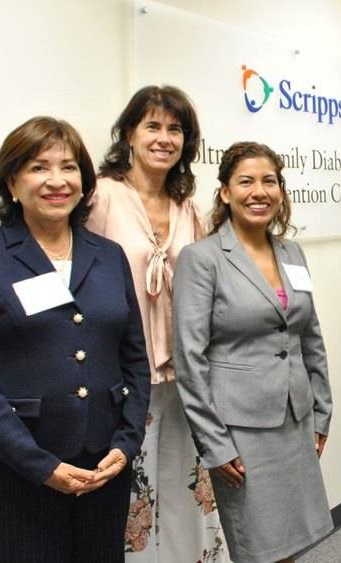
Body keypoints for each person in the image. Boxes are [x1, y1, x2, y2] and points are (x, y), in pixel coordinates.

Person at [0, 116, 150, 562]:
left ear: (84, 181)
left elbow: (135, 361)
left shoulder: (109, 255)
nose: (56, 180)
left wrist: (126, 443)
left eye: (69, 167)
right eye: (39, 167)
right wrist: (41, 466)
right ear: (12, 182)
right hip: (19, 474)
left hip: (103, 469)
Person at [173, 142, 333, 563]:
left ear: (280, 190)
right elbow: (189, 359)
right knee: (258, 546)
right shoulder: (202, 258)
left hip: (295, 418)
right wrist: (214, 443)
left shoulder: (291, 253)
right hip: (240, 429)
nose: (258, 191)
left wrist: (322, 410)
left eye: (269, 181)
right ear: (225, 192)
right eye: (246, 181)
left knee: (293, 539)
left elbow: (309, 335)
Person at [88, 85, 228, 561]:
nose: (164, 138)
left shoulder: (187, 205)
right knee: (136, 496)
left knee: (189, 484)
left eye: (175, 129)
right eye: (153, 126)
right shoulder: (101, 197)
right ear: (129, 133)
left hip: (184, 373)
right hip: (126, 376)